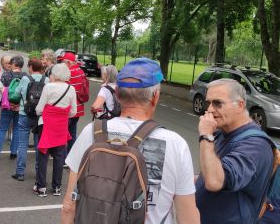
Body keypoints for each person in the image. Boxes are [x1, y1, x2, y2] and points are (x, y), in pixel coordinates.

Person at [61, 58, 200, 224]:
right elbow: (187, 217)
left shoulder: (90, 132)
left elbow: (70, 205)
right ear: (155, 97)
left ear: (118, 94)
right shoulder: (176, 144)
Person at [195, 78, 274, 224]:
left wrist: (205, 136)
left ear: (240, 105)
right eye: (208, 103)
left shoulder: (255, 145)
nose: (210, 109)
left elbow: (214, 181)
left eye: (218, 103)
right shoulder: (222, 133)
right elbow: (213, 171)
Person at [35, 63, 77, 197]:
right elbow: (73, 112)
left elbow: (39, 109)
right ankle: (57, 187)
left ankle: (41, 187)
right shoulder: (71, 89)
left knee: (43, 155)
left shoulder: (48, 87)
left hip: (46, 124)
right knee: (59, 157)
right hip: (61, 126)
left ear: (55, 73)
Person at [11, 57, 49, 181]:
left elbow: (16, 94)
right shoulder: (47, 80)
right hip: (40, 116)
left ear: (31, 67)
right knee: (39, 144)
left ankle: (20, 172)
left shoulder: (25, 79)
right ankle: (39, 171)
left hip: (24, 113)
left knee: (22, 144)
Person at [0, 55, 27, 160]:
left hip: (7, 106)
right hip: (19, 107)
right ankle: (13, 153)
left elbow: (1, 89)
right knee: (16, 129)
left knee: (2, 128)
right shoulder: (25, 76)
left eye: (11, 64)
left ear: (14, 64)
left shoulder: (6, 75)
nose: (9, 66)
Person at [57, 51, 86, 156]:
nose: (62, 64)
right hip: (78, 108)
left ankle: (63, 156)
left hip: (68, 108)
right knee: (72, 132)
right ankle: (71, 155)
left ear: (69, 62)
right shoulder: (81, 71)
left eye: (64, 61)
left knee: (64, 133)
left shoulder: (69, 73)